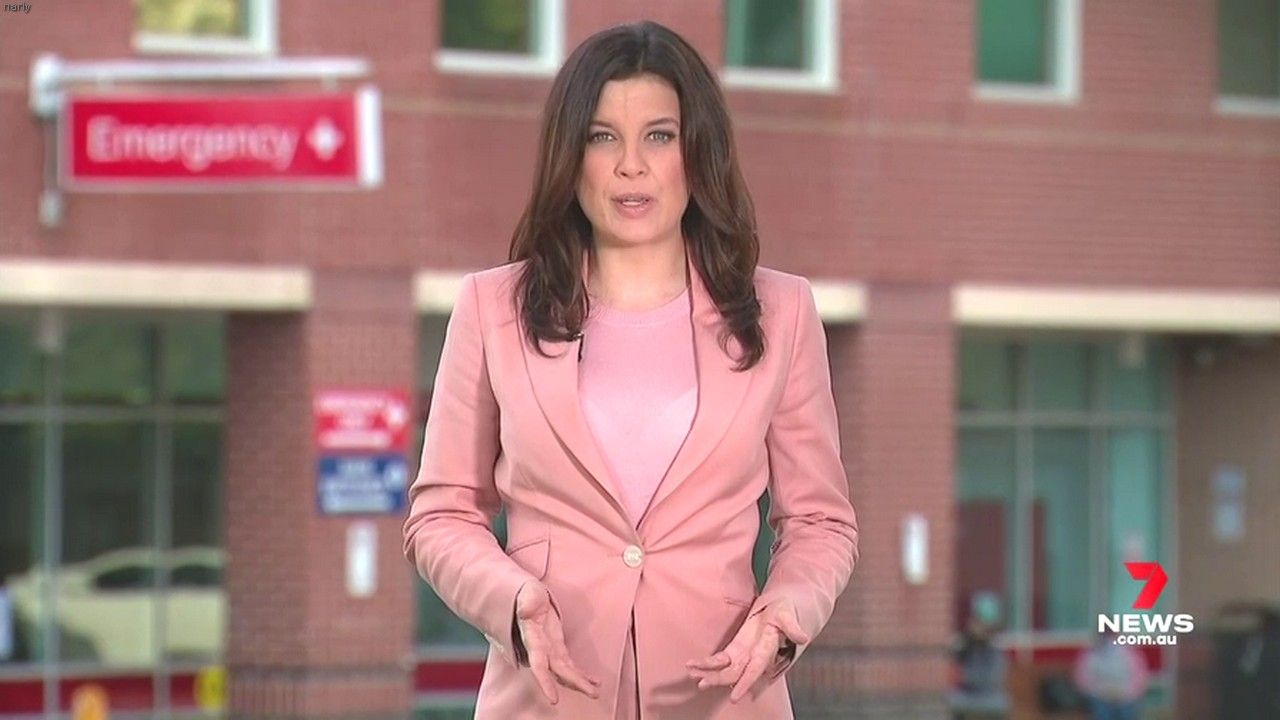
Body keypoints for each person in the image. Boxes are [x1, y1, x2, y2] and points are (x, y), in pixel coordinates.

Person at [402, 19, 859, 720]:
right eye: (602, 137)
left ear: (697, 151)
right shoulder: (491, 309)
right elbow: (441, 514)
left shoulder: (782, 312)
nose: (631, 166)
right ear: (570, 154)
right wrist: (511, 600)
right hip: (548, 699)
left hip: (722, 697)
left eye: (660, 136)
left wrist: (786, 613)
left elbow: (821, 521)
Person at [1073, 631, 1150, 720]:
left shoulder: (1131, 654)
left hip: (1126, 697)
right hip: (1100, 697)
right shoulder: (1089, 655)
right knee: (1102, 710)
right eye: (1106, 634)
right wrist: (1100, 692)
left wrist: (1126, 693)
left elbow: (1140, 678)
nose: (1109, 639)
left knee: (1127, 710)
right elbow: (1082, 680)